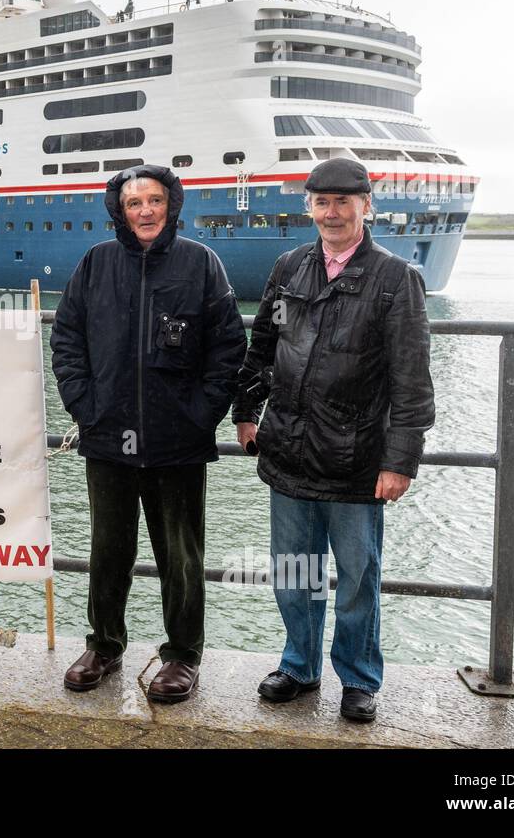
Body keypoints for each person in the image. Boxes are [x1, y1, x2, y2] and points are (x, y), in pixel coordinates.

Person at [231, 158, 434, 723]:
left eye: (345, 201)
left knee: (357, 580)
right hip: (289, 447)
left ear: (367, 205)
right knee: (295, 571)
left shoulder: (396, 278)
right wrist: (246, 410)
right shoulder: (288, 267)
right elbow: (263, 347)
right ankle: (299, 665)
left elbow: (412, 381)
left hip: (358, 458)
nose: (333, 212)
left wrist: (401, 461)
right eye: (322, 201)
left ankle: (359, 678)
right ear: (308, 207)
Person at [50, 165, 246, 703]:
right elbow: (66, 337)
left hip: (176, 441)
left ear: (171, 205)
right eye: (134, 202)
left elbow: (228, 346)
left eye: (154, 201)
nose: (144, 211)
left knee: (179, 555)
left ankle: (182, 655)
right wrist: (84, 404)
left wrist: (201, 413)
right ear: (119, 208)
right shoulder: (97, 263)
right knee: (107, 549)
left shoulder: (200, 263)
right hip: (108, 436)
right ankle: (104, 644)